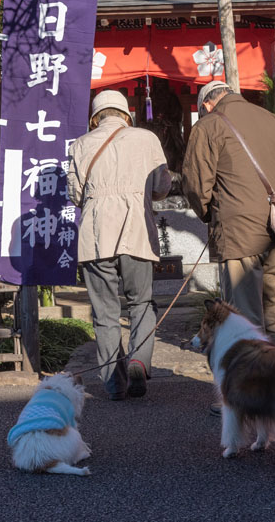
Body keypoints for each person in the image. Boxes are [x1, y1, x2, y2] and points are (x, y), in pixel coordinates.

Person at [183, 80, 275, 351]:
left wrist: (211, 213)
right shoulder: (273, 120)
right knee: (274, 315)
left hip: (237, 232)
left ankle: (254, 384)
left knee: (244, 316)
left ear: (207, 104)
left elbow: (195, 185)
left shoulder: (208, 125)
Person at [67, 90, 172, 401]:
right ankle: (139, 360)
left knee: (105, 313)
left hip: (95, 235)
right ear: (126, 114)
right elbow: (162, 185)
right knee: (141, 303)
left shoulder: (81, 144)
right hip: (136, 231)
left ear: (96, 117)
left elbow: (75, 193)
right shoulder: (146, 139)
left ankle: (115, 383)